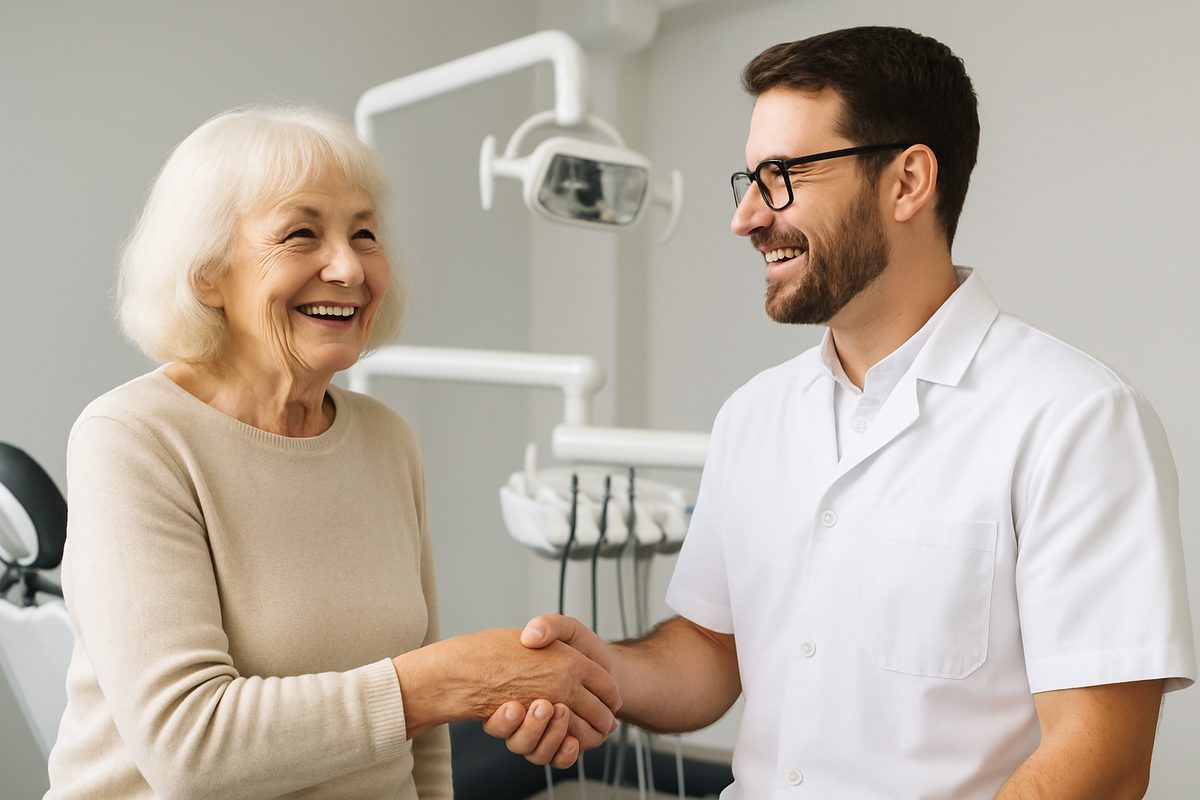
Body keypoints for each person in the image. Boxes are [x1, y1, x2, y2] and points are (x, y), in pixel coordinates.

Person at [485, 26, 1196, 798]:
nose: (747, 217)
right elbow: (712, 651)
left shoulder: (1075, 419)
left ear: (907, 181)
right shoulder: (752, 418)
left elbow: (1104, 761)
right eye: (749, 180)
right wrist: (601, 671)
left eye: (784, 175)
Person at [45, 105, 619, 799]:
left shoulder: (385, 439)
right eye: (301, 234)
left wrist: (450, 691)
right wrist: (453, 680)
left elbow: (422, 748)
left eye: (365, 233)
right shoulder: (133, 438)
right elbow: (190, 748)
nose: (348, 268)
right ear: (206, 273)